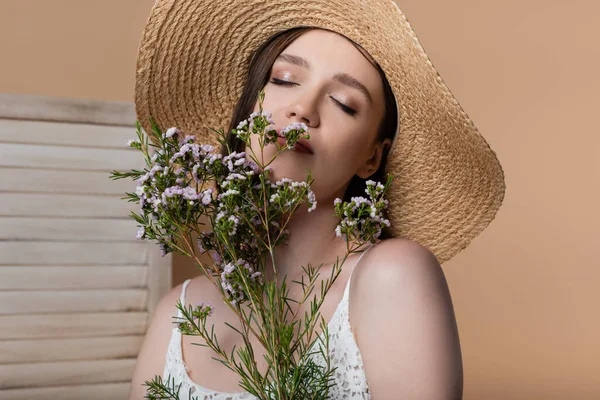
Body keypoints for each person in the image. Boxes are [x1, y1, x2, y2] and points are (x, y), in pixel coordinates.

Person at [129, 1, 506, 399]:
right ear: (246, 111)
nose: (303, 110)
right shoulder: (178, 314)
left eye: (344, 103)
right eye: (285, 79)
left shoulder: (392, 277)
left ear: (372, 157)